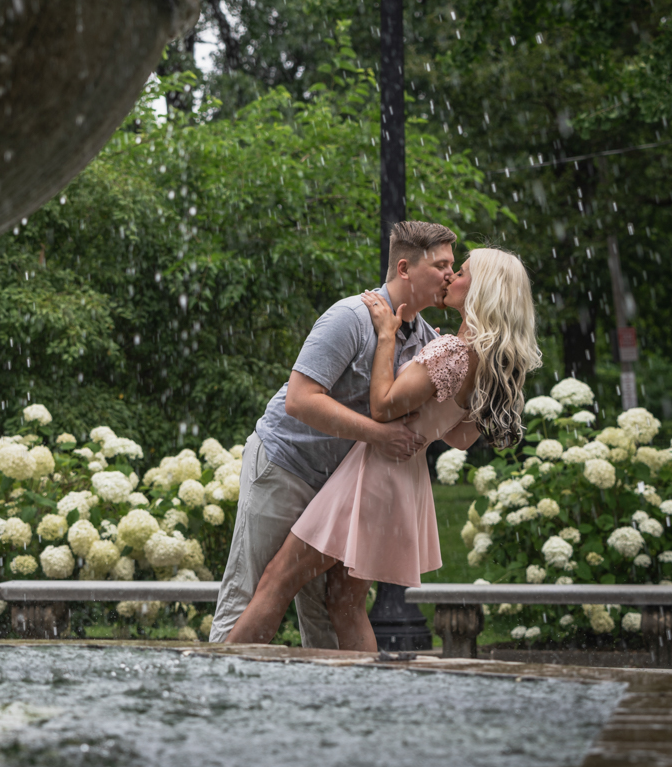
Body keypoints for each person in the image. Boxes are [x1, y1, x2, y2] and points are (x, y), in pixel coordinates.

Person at [223, 247, 542, 649]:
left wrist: (388, 336)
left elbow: (382, 405)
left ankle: (224, 670)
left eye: (459, 272)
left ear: (482, 290)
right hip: (404, 482)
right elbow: (459, 438)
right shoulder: (484, 360)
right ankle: (362, 701)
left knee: (278, 580)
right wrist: (429, 409)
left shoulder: (451, 351)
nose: (450, 278)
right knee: (344, 604)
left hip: (373, 474)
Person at [206, 221, 458, 647]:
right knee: (248, 592)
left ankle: (324, 708)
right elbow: (300, 401)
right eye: (441, 265)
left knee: (327, 611)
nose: (450, 275)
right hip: (286, 466)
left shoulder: (427, 341)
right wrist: (379, 436)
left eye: (453, 266)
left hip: (337, 489)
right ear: (404, 269)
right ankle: (218, 700)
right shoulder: (350, 317)